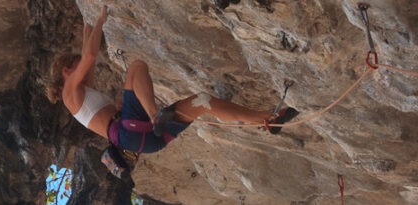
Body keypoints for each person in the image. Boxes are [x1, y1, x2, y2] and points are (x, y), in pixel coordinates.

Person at [54, 5, 298, 154]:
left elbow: (89, 54)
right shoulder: (69, 93)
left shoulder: (82, 95)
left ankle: (269, 120)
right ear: (66, 72)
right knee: (137, 67)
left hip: (147, 141)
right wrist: (100, 19)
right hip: (133, 131)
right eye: (76, 68)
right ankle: (155, 114)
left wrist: (89, 21)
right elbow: (89, 55)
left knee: (203, 102)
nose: (84, 70)